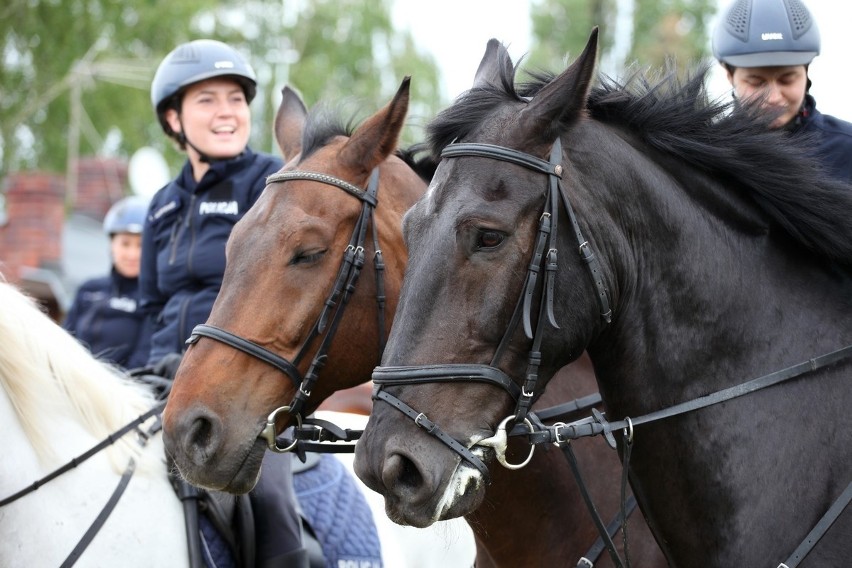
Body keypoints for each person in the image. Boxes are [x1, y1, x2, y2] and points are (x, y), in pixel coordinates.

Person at [141, 39, 308, 567]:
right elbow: (151, 307)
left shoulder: (271, 184)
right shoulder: (161, 206)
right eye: (207, 100)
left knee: (269, 497)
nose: (227, 112)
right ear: (173, 118)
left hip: (245, 391)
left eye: (236, 99)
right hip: (161, 378)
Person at [712, 0, 852, 183]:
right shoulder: (710, 152)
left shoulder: (846, 149)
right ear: (730, 76)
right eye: (756, 82)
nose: (773, 98)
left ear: (807, 72)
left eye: (787, 80)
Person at [63, 195, 151, 370]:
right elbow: (64, 341)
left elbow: (143, 359)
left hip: (122, 391)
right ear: (112, 244)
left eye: (140, 245)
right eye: (125, 244)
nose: (132, 254)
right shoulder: (88, 289)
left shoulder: (153, 298)